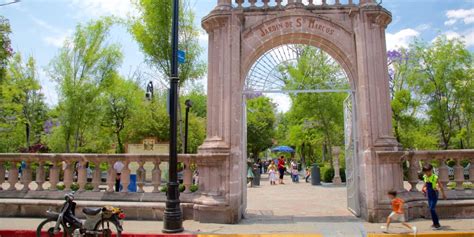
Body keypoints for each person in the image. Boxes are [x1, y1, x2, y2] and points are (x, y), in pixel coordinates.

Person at [422, 164, 446, 230]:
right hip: (429, 194)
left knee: (432, 208)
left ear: (431, 170)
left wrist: (443, 194)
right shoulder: (425, 177)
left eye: (428, 171)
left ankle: (437, 224)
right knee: (430, 208)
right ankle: (434, 223)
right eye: (425, 172)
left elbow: (440, 186)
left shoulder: (435, 177)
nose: (427, 173)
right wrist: (423, 190)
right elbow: (425, 184)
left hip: (434, 193)